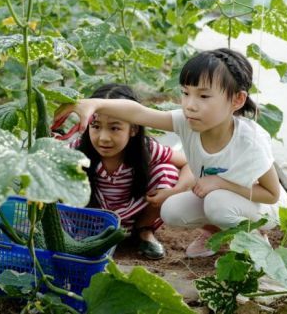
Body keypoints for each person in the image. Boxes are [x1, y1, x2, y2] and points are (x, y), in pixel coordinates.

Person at [54, 48, 280, 259]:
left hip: (258, 209)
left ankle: (257, 242)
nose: (190, 105)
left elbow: (271, 194)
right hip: (218, 199)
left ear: (236, 100)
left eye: (203, 96)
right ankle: (214, 233)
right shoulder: (186, 123)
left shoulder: (249, 140)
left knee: (217, 203)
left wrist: (220, 183)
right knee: (171, 209)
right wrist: (93, 103)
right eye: (185, 93)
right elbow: (139, 112)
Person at [68, 83, 194, 260]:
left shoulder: (147, 149)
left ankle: (144, 231)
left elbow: (190, 164)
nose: (103, 137)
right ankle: (85, 233)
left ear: (133, 129)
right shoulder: (78, 149)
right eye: (95, 126)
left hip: (135, 216)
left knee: (167, 170)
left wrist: (175, 191)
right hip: (92, 218)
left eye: (114, 128)